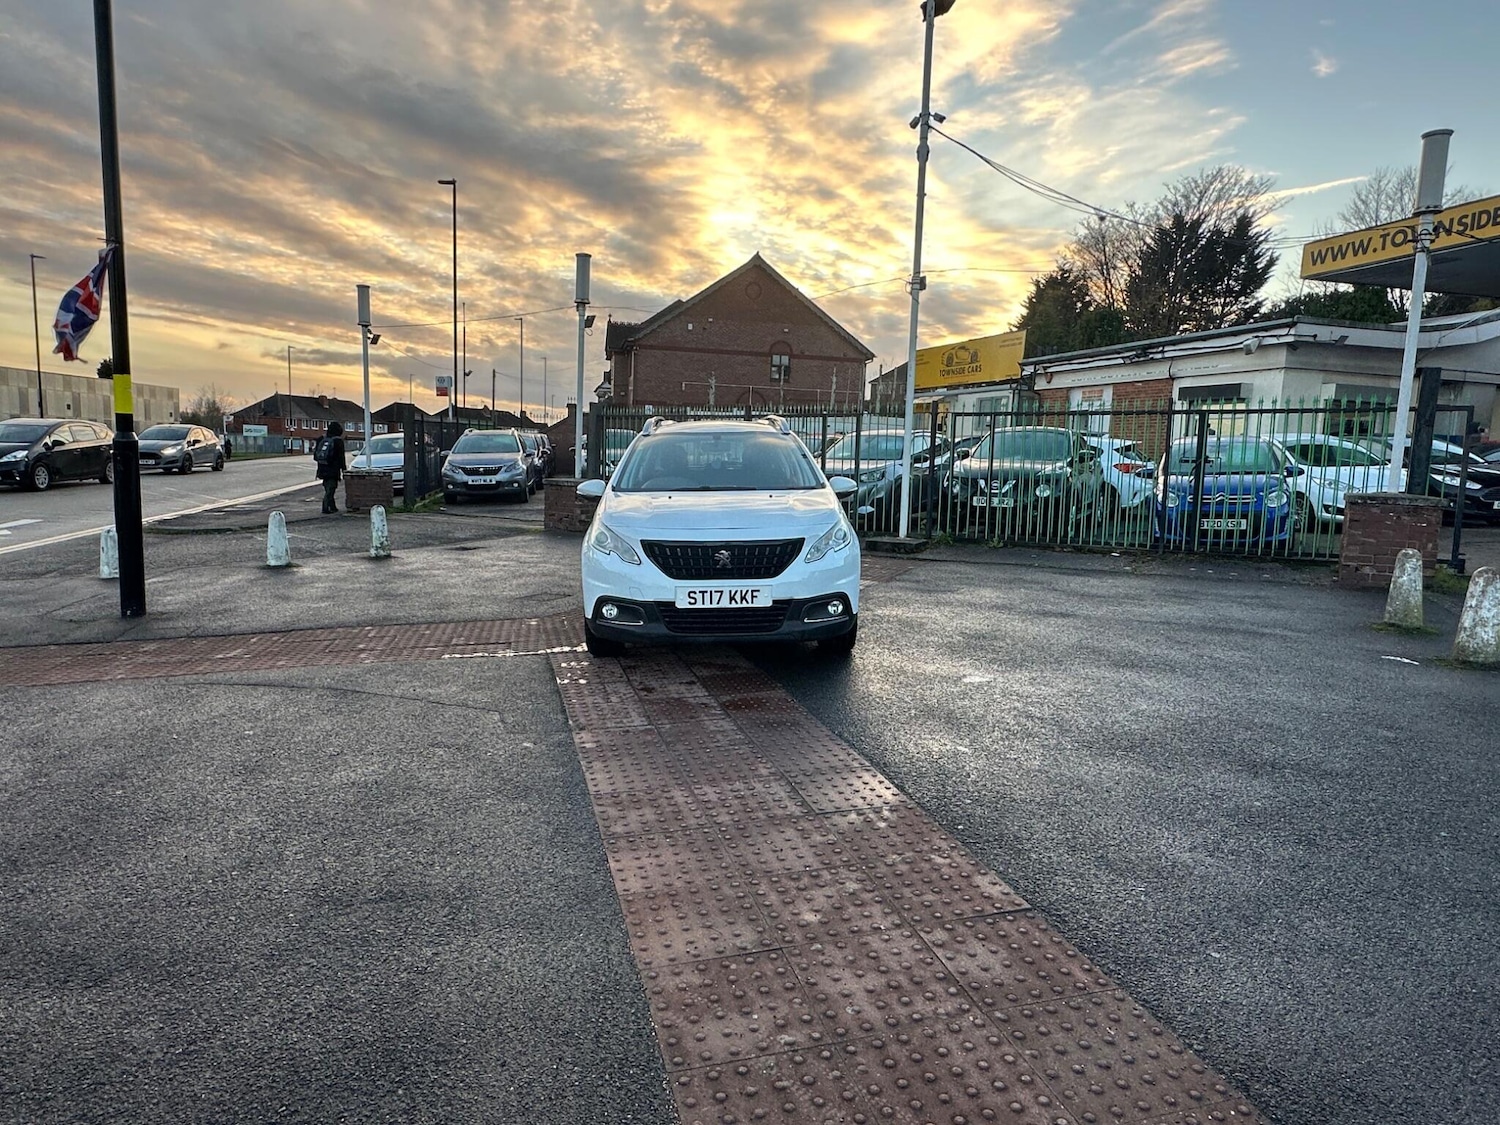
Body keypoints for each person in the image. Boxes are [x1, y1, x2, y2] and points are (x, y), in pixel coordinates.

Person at [317, 421, 347, 513]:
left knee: (328, 487)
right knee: (331, 489)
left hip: (322, 467)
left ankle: (332, 507)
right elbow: (341, 457)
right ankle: (325, 507)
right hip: (333, 468)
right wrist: (344, 469)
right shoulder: (338, 441)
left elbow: (317, 454)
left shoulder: (321, 438)